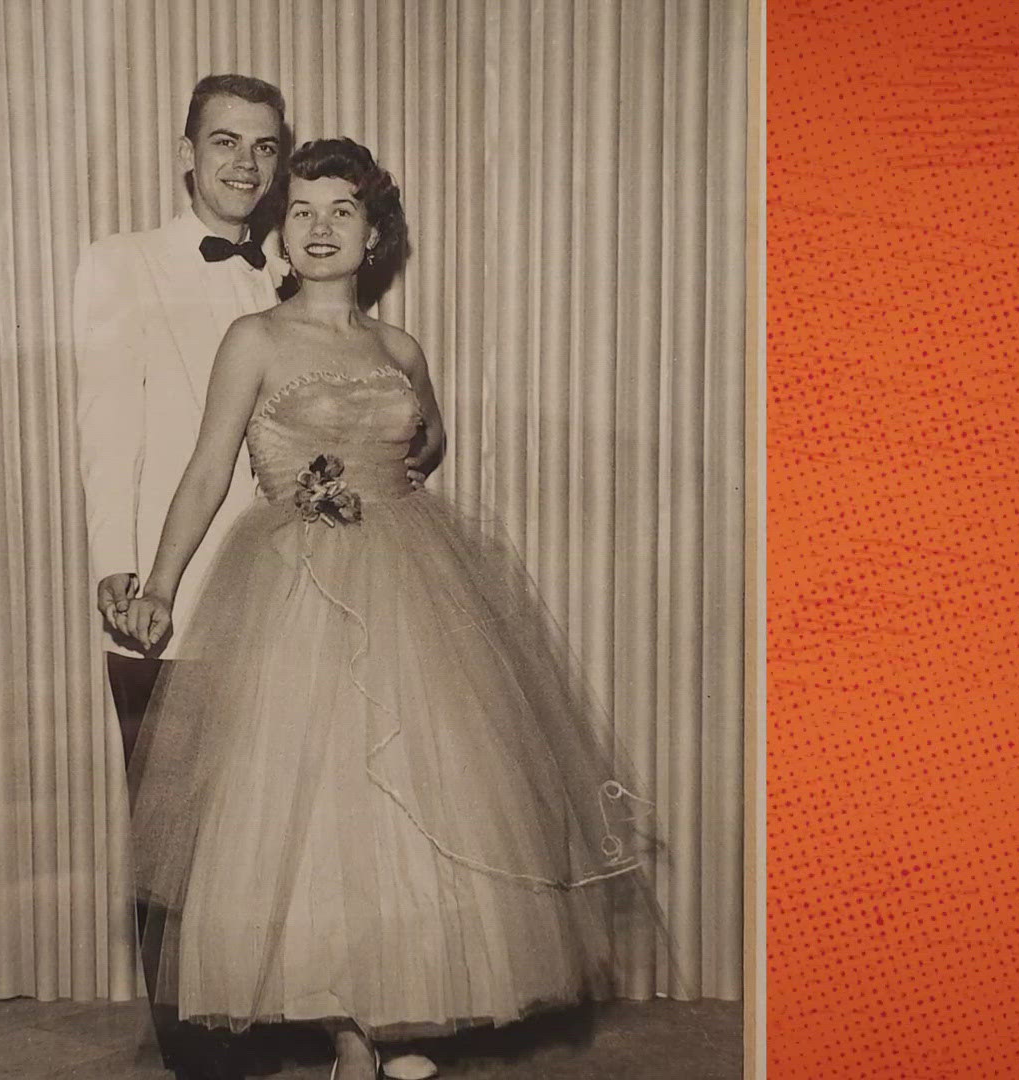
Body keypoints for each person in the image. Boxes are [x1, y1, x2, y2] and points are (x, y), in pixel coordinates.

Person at [120, 139, 666, 1080]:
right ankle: (349, 1036)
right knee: (314, 804)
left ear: (374, 235)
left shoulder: (399, 347)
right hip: (293, 593)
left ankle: (391, 1020)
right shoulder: (253, 338)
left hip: (412, 587)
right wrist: (159, 585)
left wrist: (389, 478)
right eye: (301, 210)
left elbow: (428, 438)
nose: (320, 227)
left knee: (414, 800)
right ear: (280, 234)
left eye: (341, 210)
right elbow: (209, 466)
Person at [71, 74, 289, 1080]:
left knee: (261, 832)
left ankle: (254, 1021)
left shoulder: (288, 284)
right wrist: (118, 570)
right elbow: (106, 426)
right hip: (164, 606)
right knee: (170, 844)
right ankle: (192, 1057)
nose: (245, 163)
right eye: (225, 142)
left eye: (264, 146)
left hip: (280, 608)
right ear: (185, 152)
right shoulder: (120, 265)